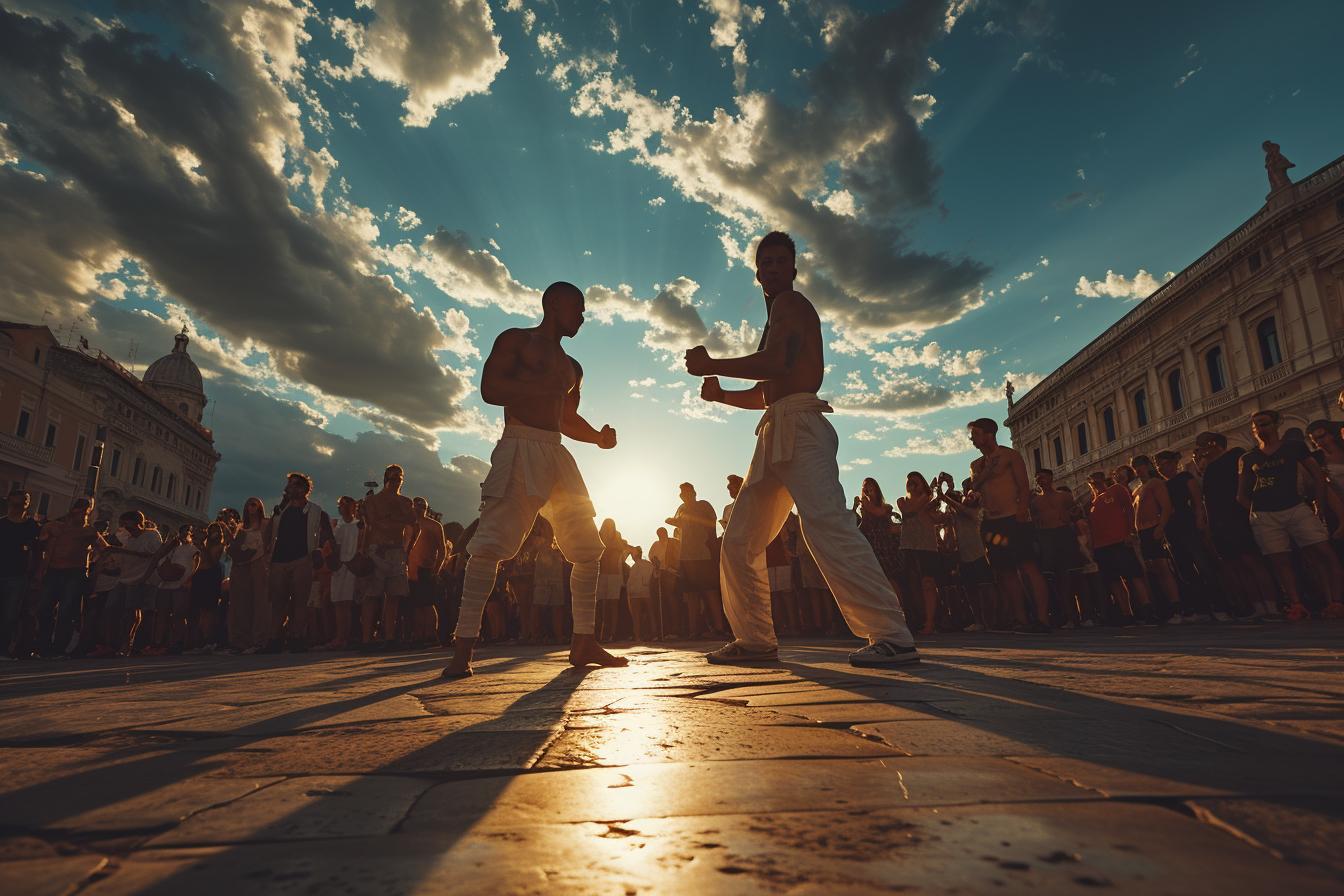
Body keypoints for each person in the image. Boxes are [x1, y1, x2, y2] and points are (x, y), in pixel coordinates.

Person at [686, 231, 918, 666]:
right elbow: (768, 390)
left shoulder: (791, 304)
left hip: (801, 425)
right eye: (766, 262)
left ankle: (893, 636)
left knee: (827, 524)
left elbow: (775, 365)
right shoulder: (775, 319)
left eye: (780, 261)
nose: (773, 268)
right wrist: (722, 395)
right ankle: (755, 639)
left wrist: (711, 364)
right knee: (739, 538)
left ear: (793, 269)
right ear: (757, 273)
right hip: (776, 426)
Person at [442, 281, 628, 678]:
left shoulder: (574, 368)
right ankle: (463, 649)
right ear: (554, 304)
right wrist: (541, 386)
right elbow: (490, 389)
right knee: (490, 546)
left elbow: (566, 418)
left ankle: (583, 641)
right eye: (578, 307)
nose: (583, 316)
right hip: (519, 444)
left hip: (555, 451)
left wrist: (597, 437)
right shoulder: (516, 340)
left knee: (587, 548)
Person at [1238, 409, 1344, 618]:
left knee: (1324, 553)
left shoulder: (1294, 447)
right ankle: (1296, 604)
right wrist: (1257, 513)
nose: (1260, 429)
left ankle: (1336, 601)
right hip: (1265, 515)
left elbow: (1317, 476)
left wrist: (1319, 506)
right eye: (1256, 426)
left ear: (1276, 424)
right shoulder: (1248, 458)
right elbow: (1241, 495)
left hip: (1296, 507)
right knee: (1280, 561)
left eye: (1265, 424)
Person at [967, 418, 1051, 632]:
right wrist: (986, 471)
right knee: (1005, 572)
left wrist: (1022, 511)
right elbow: (974, 487)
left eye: (976, 434)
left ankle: (1042, 619)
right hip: (991, 522)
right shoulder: (976, 465)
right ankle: (1021, 619)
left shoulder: (1010, 456)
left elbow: (1023, 486)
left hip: (1013, 518)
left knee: (1028, 566)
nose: (972, 439)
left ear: (989, 434)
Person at [1196, 431, 1279, 619]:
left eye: (1202, 446)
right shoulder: (1209, 470)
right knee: (1238, 565)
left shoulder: (1236, 456)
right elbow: (1208, 501)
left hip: (1239, 516)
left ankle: (1271, 604)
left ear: (1214, 444)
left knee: (1252, 561)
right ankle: (1257, 606)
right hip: (1220, 522)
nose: (1200, 451)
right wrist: (1210, 526)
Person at [262, 472, 334, 653]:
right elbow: (268, 533)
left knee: (300, 601)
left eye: (292, 485)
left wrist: (320, 552)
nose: (287, 488)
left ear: (303, 489)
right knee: (277, 601)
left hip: (302, 559)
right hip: (279, 560)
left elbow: (327, 535)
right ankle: (274, 638)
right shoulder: (280, 510)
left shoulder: (316, 511)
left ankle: (297, 637)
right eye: (288, 484)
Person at [1154, 449, 1228, 622]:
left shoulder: (1185, 477)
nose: (1161, 468)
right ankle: (1201, 608)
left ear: (1174, 463)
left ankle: (1220, 605)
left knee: (1204, 565)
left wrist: (1200, 519)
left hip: (1188, 525)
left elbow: (1197, 500)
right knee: (1184, 569)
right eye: (1158, 466)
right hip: (1172, 529)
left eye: (1164, 464)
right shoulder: (1161, 486)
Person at [35, 497, 107, 656]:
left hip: (75, 573)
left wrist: (95, 571)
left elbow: (105, 550)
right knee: (44, 608)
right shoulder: (54, 526)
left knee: (66, 611)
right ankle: (43, 645)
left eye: (85, 512)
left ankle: (58, 647)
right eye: (80, 510)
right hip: (53, 571)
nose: (82, 514)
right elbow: (41, 546)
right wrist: (40, 570)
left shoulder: (89, 531)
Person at [360, 465, 417, 648]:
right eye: (393, 479)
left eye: (399, 479)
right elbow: (373, 524)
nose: (396, 482)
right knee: (371, 596)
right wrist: (364, 550)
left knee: (394, 596)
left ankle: (389, 637)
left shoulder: (406, 502)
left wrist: (407, 549)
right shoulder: (373, 501)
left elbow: (414, 526)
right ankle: (366, 639)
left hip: (397, 551)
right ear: (385, 479)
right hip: (377, 550)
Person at [1086, 471, 1151, 624]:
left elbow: (1129, 509)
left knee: (1134, 575)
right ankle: (1127, 613)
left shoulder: (1116, 490)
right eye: (1092, 481)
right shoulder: (1093, 503)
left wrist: (1131, 531)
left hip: (1120, 541)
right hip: (1101, 546)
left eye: (1098, 478)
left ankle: (1148, 609)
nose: (1095, 482)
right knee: (1113, 580)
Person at [939, 479, 996, 630]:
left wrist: (945, 497)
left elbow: (960, 508)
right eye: (968, 496)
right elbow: (951, 510)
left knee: (985, 588)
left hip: (979, 555)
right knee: (970, 590)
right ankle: (978, 621)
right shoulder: (957, 514)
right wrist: (948, 487)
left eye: (973, 497)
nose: (969, 498)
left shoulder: (978, 512)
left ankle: (991, 620)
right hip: (964, 557)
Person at [667, 483, 722, 639]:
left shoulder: (704, 505)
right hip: (686, 556)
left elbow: (711, 524)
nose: (683, 495)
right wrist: (673, 521)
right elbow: (677, 525)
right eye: (681, 493)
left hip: (703, 553)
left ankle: (719, 628)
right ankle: (694, 630)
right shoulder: (681, 509)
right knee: (691, 594)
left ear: (694, 493)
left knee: (710, 591)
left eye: (686, 492)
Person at [1031, 469, 1082, 628]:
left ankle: (1077, 616)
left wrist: (1070, 517)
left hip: (1063, 534)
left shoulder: (1063, 496)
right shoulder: (1035, 502)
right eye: (1038, 478)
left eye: (1043, 477)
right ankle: (1064, 616)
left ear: (1051, 478)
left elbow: (1077, 511)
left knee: (1070, 576)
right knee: (1054, 580)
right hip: (1046, 537)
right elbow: (1033, 521)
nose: (1040, 480)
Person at [896, 472, 945, 635]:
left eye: (915, 482)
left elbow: (938, 518)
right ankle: (917, 619)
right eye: (909, 481)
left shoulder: (929, 502)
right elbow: (909, 511)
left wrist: (937, 497)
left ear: (922, 484)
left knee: (928, 583)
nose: (911, 484)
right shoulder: (902, 501)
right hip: (908, 546)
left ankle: (930, 622)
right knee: (912, 585)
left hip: (927, 546)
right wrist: (929, 495)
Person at [109, 510, 163, 655]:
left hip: (142, 577)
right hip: (125, 577)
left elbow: (155, 554)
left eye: (127, 524)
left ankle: (129, 642)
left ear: (137, 523)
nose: (124, 527)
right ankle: (116, 641)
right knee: (113, 607)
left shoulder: (151, 535)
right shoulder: (127, 537)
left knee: (131, 609)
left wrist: (124, 552)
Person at [317, 496, 362, 650]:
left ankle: (344, 637)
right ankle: (340, 637)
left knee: (345, 604)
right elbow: (332, 547)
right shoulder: (338, 525)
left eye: (347, 504)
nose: (343, 507)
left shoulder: (358, 525)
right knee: (338, 603)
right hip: (339, 568)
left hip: (351, 567)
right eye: (341, 504)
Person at [226, 497, 270, 653]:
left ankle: (259, 639)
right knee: (241, 604)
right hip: (242, 566)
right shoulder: (241, 528)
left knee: (260, 603)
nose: (251, 507)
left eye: (254, 504)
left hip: (260, 564)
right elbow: (236, 549)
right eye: (248, 504)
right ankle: (240, 641)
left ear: (260, 507)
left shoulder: (265, 524)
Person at [0, 489, 40, 659]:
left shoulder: (32, 526)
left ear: (27, 504)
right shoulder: (2, 523)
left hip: (19, 575)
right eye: (15, 503)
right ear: (9, 502)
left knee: (10, 615)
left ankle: (3, 649)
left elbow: (37, 553)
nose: (17, 506)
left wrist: (35, 575)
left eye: (22, 502)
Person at [407, 496, 446, 645]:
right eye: (416, 506)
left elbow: (442, 550)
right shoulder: (408, 525)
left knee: (427, 604)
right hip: (410, 570)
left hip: (426, 569)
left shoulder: (434, 526)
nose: (418, 509)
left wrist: (436, 570)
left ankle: (430, 635)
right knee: (416, 605)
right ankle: (419, 635)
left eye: (422, 506)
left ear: (426, 509)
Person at [854, 478, 901, 593]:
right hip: (872, 547)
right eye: (865, 489)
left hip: (886, 547)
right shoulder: (865, 510)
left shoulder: (886, 507)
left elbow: (878, 512)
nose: (868, 491)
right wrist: (857, 510)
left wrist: (866, 504)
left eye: (871, 488)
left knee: (891, 579)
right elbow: (861, 529)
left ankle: (899, 602)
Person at [188, 523, 226, 652]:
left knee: (209, 610)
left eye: (217, 531)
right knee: (199, 611)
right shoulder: (202, 545)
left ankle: (208, 639)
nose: (213, 533)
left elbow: (212, 561)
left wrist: (203, 547)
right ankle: (198, 640)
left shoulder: (219, 546)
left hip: (211, 576)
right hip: (199, 576)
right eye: (211, 530)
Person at [531, 535, 567, 643]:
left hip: (557, 578)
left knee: (557, 607)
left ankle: (558, 635)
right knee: (538, 607)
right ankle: (535, 635)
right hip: (542, 579)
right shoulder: (539, 540)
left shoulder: (559, 540)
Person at [649, 527, 681, 640]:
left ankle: (675, 629)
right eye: (659, 533)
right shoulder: (655, 544)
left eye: (663, 533)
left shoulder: (674, 542)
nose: (661, 535)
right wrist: (655, 562)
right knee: (660, 601)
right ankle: (663, 629)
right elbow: (651, 556)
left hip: (671, 573)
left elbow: (678, 556)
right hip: (659, 574)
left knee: (671, 599)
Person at [626, 546, 657, 641]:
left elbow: (630, 582)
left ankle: (638, 636)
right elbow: (655, 576)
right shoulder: (649, 564)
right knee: (651, 614)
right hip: (647, 591)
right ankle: (654, 634)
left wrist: (629, 592)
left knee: (636, 616)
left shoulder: (634, 567)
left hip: (635, 594)